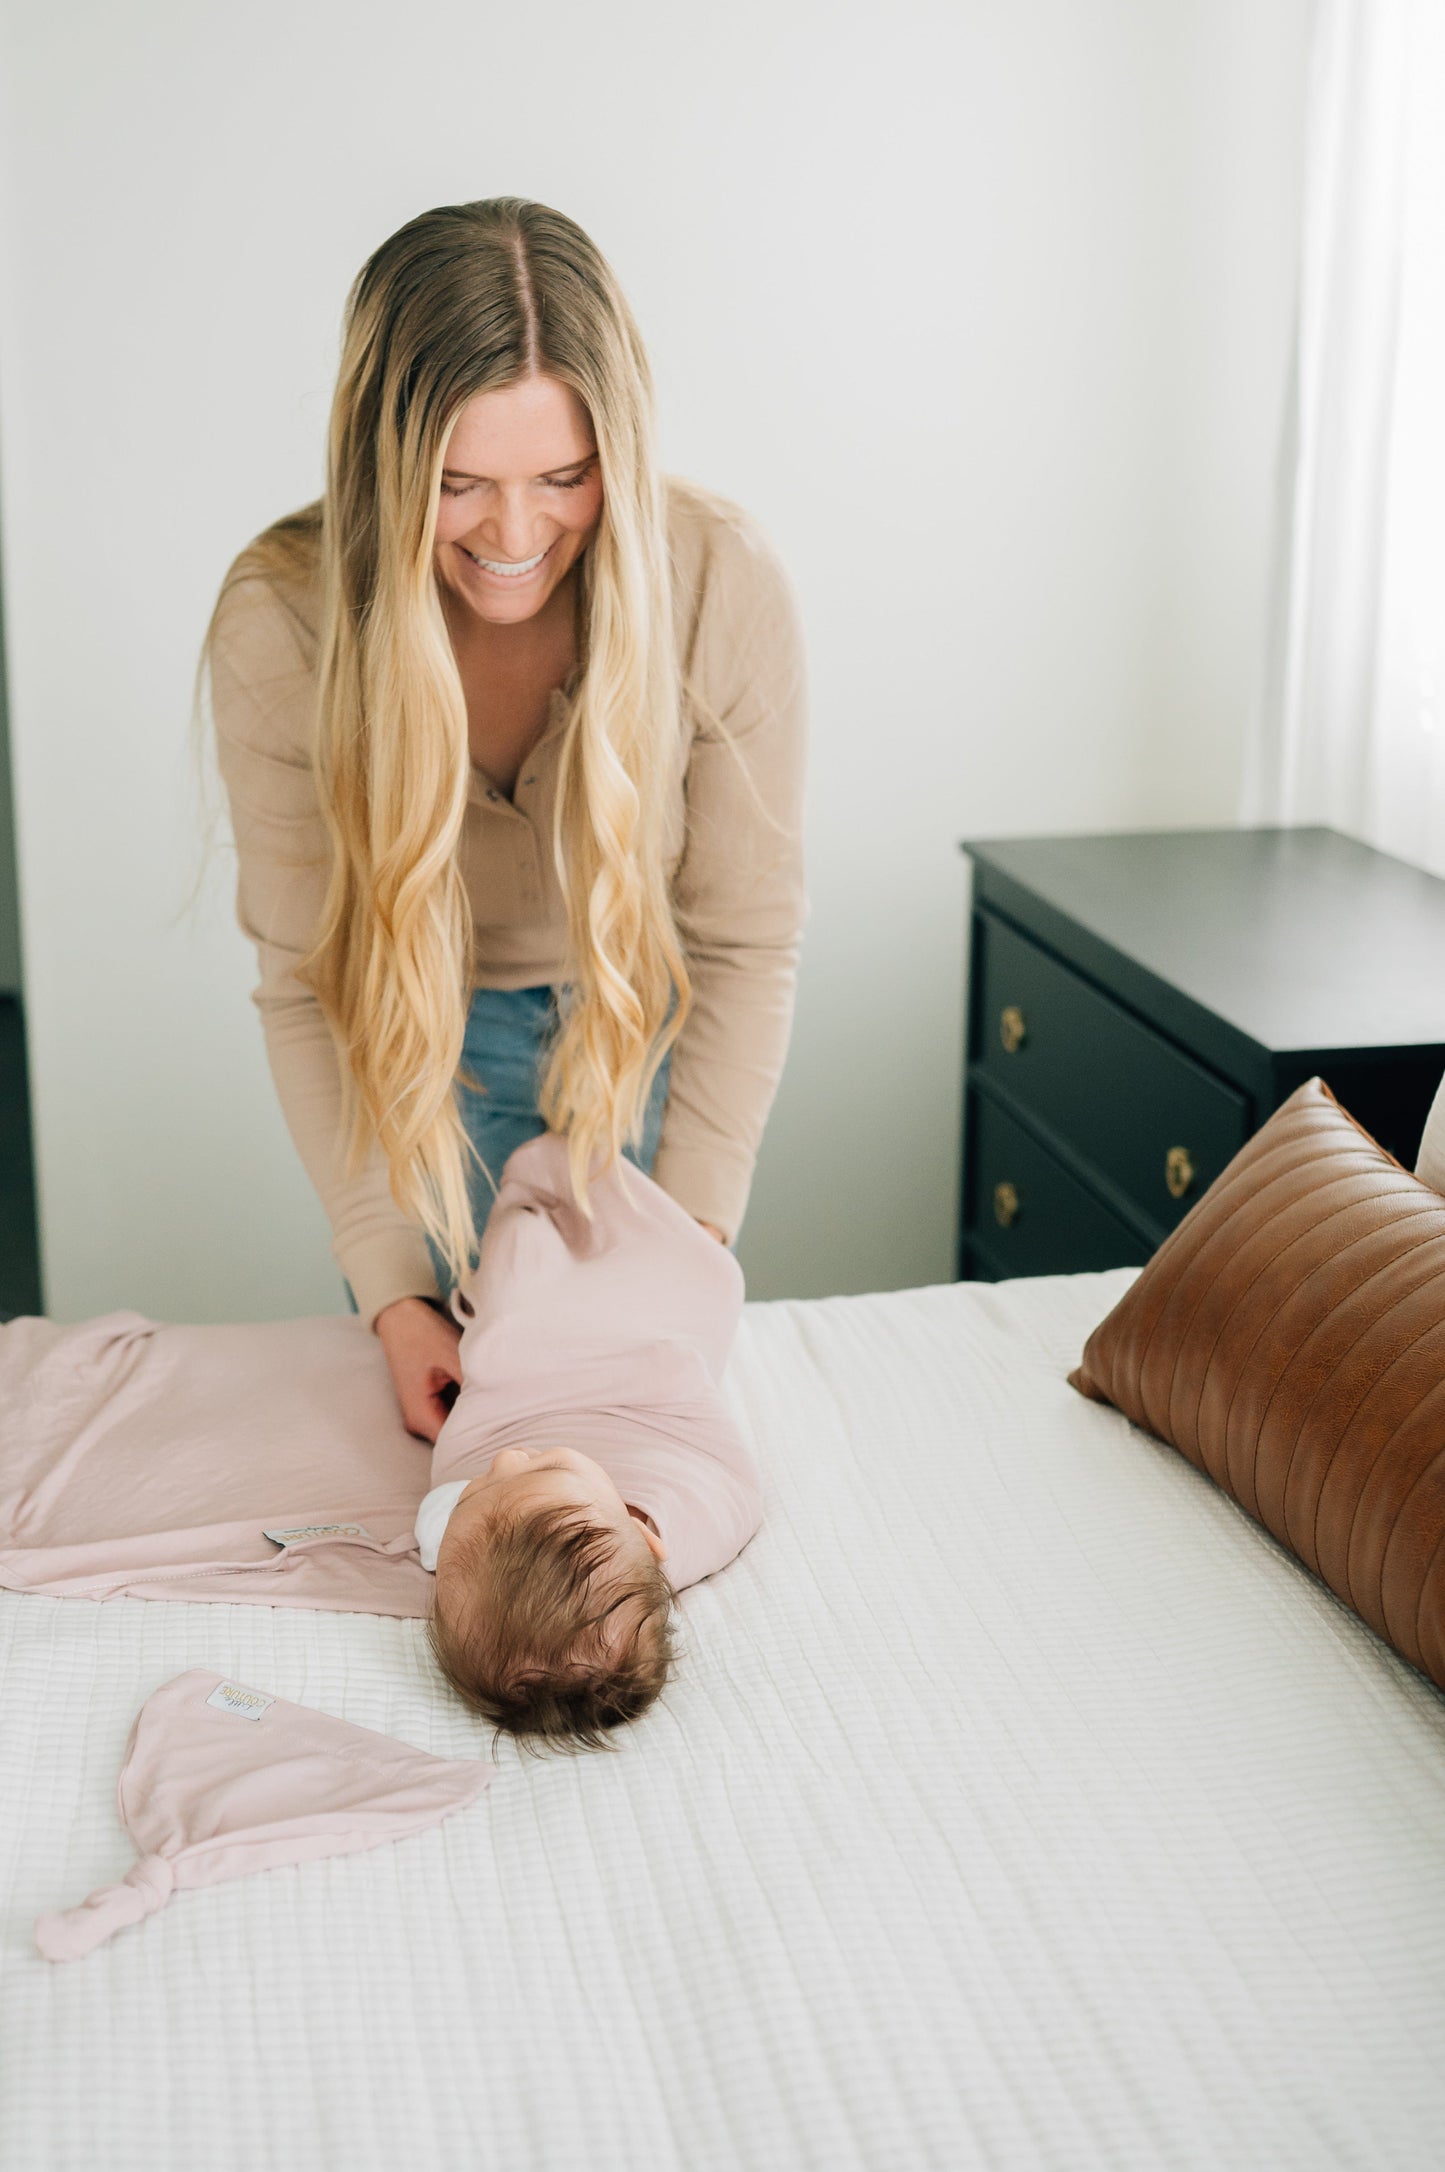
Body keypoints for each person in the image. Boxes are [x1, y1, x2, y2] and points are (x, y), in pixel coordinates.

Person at [204, 196, 809, 1441]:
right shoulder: (282, 622)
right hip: (412, 1068)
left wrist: (683, 1245)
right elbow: (309, 982)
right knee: (467, 1455)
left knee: (619, 1441)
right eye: (458, 485)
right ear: (384, 462)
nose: (516, 535)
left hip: (640, 1036)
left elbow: (747, 943)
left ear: (616, 455)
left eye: (563, 478)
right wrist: (393, 1295)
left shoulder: (719, 582)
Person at [416, 1126, 762, 1751]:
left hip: (530, 1359)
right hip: (641, 1364)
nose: (502, 1456)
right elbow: (725, 1483)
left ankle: (539, 1224)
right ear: (643, 1527)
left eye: (473, 1494)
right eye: (542, 1468)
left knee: (516, 1300)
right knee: (692, 1284)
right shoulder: (674, 1517)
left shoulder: (489, 1543)